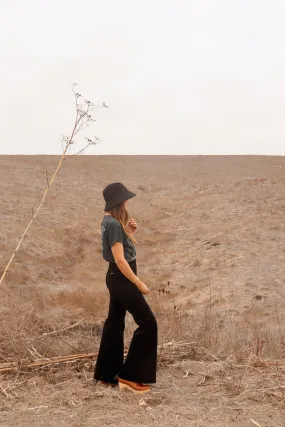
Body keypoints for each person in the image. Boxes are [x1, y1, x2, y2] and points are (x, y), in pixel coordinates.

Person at [94, 182, 157, 395]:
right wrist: (138, 283)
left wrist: (129, 231)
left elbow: (120, 252)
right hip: (122, 276)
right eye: (125, 199)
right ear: (118, 203)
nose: (128, 202)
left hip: (115, 276)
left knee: (114, 323)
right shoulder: (112, 224)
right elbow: (121, 261)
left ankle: (106, 374)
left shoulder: (110, 221)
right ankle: (129, 377)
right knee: (148, 323)